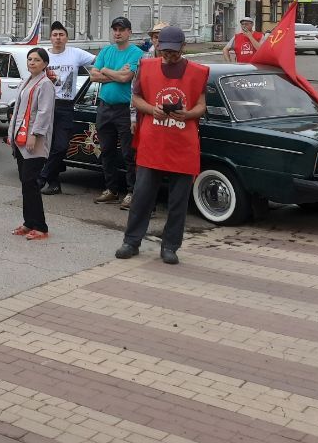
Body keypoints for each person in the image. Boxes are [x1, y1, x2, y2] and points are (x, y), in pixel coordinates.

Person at [116, 26, 209, 265]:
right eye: (165, 51)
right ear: (157, 46)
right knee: (142, 196)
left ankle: (170, 246)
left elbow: (201, 105)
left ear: (183, 48)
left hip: (182, 144)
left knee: (178, 200)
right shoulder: (146, 67)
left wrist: (188, 114)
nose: (169, 56)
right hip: (153, 142)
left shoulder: (198, 72)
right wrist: (151, 109)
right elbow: (135, 98)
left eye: (174, 52)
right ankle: (131, 241)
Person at [89, 16, 143, 206]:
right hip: (104, 107)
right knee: (107, 150)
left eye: (121, 30)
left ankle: (132, 191)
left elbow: (126, 77)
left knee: (129, 153)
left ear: (129, 32)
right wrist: (115, 73)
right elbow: (93, 77)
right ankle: (111, 189)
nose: (117, 33)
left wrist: (105, 70)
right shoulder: (106, 50)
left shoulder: (136, 53)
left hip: (125, 110)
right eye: (115, 30)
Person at [39, 22, 95, 195]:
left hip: (66, 105)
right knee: (47, 146)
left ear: (66, 38)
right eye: (55, 35)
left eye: (61, 35)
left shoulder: (76, 53)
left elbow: (99, 60)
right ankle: (54, 183)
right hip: (46, 104)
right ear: (50, 38)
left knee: (61, 146)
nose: (58, 38)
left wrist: (103, 71)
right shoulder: (43, 55)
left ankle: (42, 177)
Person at [8, 47, 55, 239]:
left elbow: (44, 112)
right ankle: (29, 222)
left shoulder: (46, 84)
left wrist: (35, 134)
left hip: (33, 140)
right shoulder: (27, 81)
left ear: (45, 63)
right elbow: (18, 110)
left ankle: (41, 227)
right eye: (29, 59)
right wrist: (11, 133)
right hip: (21, 139)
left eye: (36, 60)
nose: (32, 62)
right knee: (25, 183)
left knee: (31, 182)